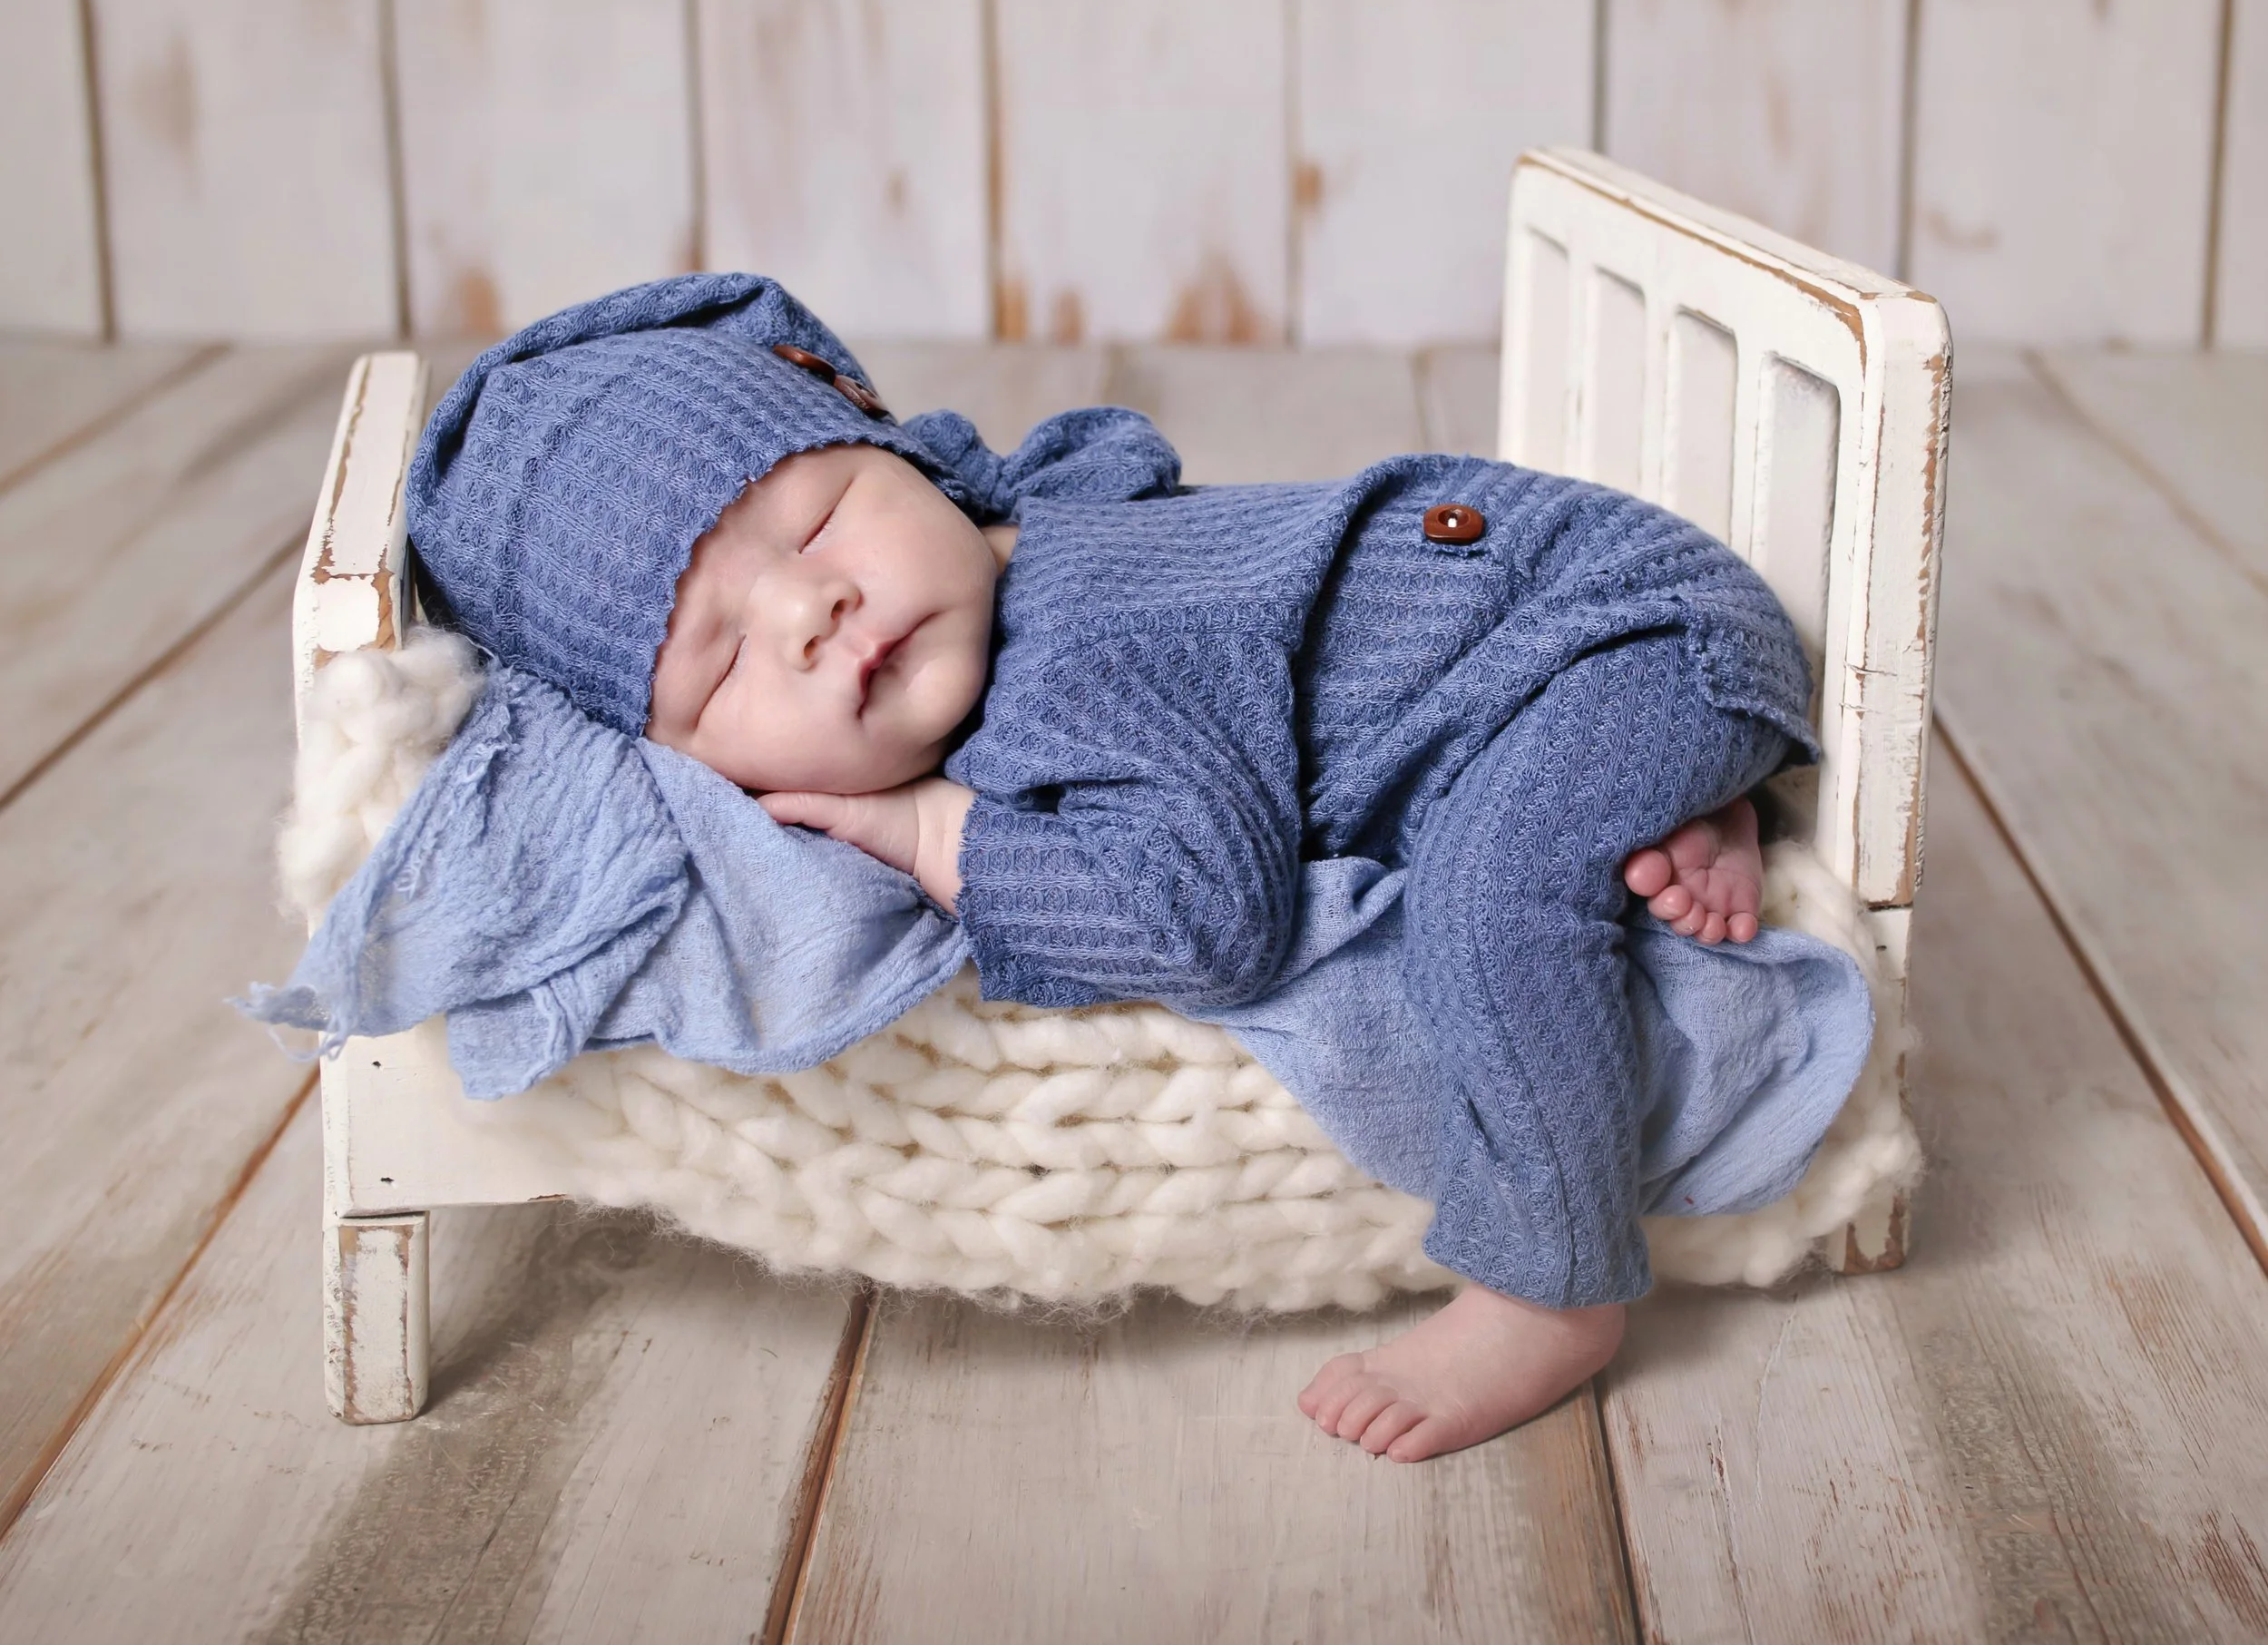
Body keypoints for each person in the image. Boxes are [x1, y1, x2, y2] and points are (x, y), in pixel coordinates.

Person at [410, 272, 1823, 1463]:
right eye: (722, 660)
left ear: (899, 454)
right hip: (1538, 685)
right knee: (1519, 813)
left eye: (818, 520)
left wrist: (934, 834)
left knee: (1490, 906)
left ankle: (1550, 1286)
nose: (811, 609)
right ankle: (1674, 797)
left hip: (1614, 627)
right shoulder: (1005, 589)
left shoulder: (1089, 647)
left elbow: (1212, 919)